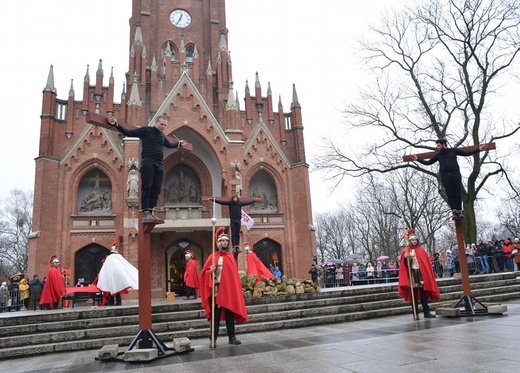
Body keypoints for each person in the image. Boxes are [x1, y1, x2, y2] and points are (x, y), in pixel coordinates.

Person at [107, 114, 187, 220]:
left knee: (156, 189)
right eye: (161, 124)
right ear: (156, 122)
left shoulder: (162, 135)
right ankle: (145, 212)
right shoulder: (146, 130)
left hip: (159, 164)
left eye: (165, 125)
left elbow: (168, 145)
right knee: (147, 187)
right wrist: (116, 124)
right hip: (148, 162)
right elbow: (129, 133)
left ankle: (152, 212)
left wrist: (178, 143)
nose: (163, 127)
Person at [411, 139, 488, 218]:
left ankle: (459, 210)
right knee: (450, 193)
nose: (438, 147)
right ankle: (454, 211)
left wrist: (478, 149)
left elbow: (466, 153)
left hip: (455, 174)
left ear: (444, 144)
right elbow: (428, 163)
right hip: (445, 176)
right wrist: (417, 159)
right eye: (437, 146)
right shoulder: (438, 155)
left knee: (457, 192)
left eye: (439, 145)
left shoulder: (453, 151)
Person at [200, 227, 248, 347]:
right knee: (215, 316)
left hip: (228, 291)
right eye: (222, 241)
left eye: (226, 241)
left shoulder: (230, 257)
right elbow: (204, 273)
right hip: (216, 291)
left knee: (229, 315)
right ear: (218, 243)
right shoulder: (212, 257)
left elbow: (233, 277)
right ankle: (213, 339)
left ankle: (232, 337)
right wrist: (209, 271)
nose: (225, 243)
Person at [398, 235, 440, 320]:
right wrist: (407, 258)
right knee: (414, 294)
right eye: (412, 240)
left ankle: (426, 312)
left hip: (421, 273)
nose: (414, 241)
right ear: (410, 241)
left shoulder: (421, 250)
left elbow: (425, 263)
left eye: (415, 240)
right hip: (413, 274)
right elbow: (405, 265)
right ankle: (415, 313)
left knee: (423, 293)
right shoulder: (406, 251)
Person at [97, 241, 139, 306]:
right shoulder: (119, 257)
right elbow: (125, 265)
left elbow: (105, 267)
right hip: (118, 276)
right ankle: (117, 302)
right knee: (116, 289)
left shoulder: (110, 258)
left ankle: (112, 302)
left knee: (112, 289)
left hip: (111, 276)